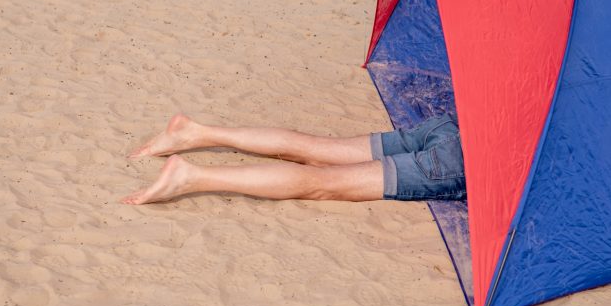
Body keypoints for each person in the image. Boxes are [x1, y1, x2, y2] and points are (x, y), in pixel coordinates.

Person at [122, 112, 466, 205]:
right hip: (460, 161)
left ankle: (195, 132)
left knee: (318, 150)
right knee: (325, 184)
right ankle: (193, 177)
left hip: (455, 125)